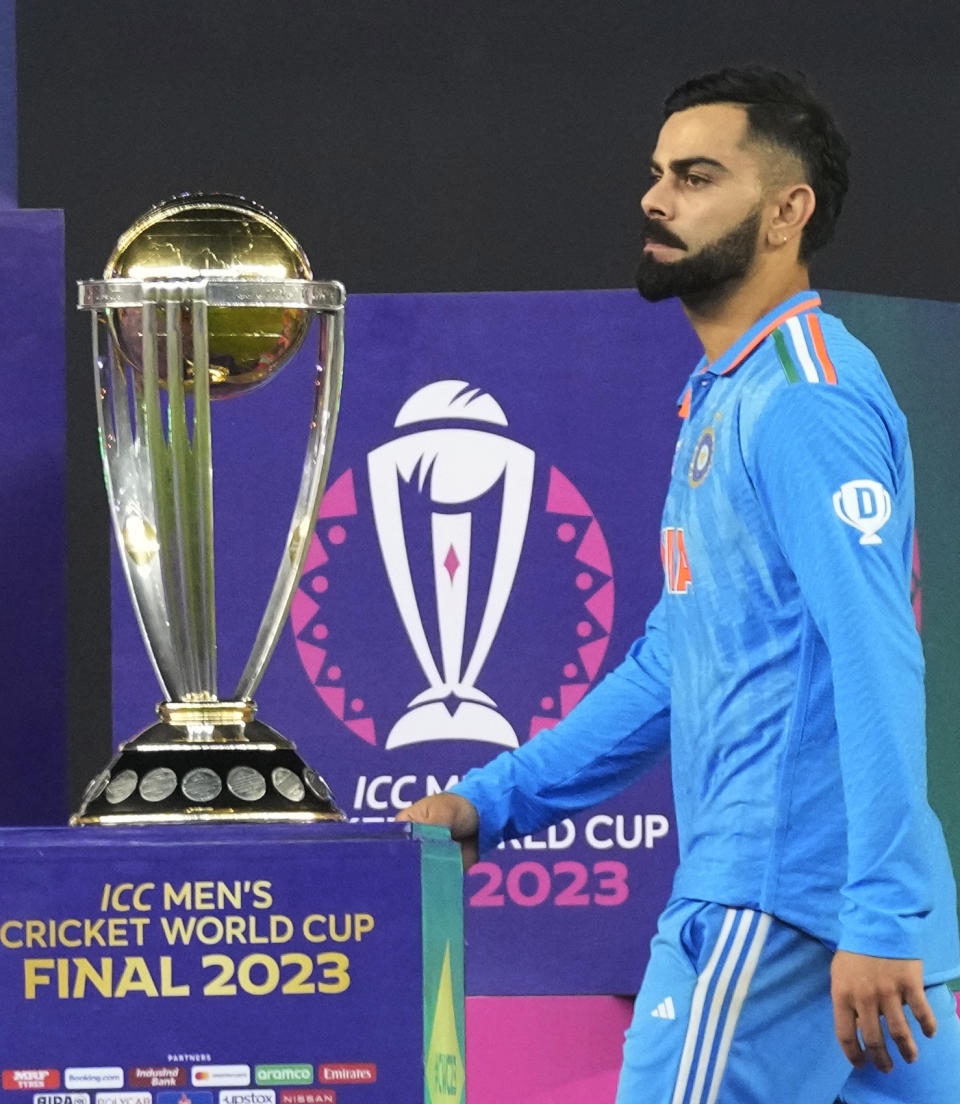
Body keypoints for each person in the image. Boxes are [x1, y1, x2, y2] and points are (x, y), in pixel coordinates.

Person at [397, 66, 960, 1103]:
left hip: (780, 913)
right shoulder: (733, 395)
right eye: (657, 174)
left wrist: (881, 912)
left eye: (697, 176)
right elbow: (674, 661)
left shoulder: (801, 402)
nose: (657, 199)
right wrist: (496, 802)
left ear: (789, 212)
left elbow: (876, 646)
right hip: (832, 923)